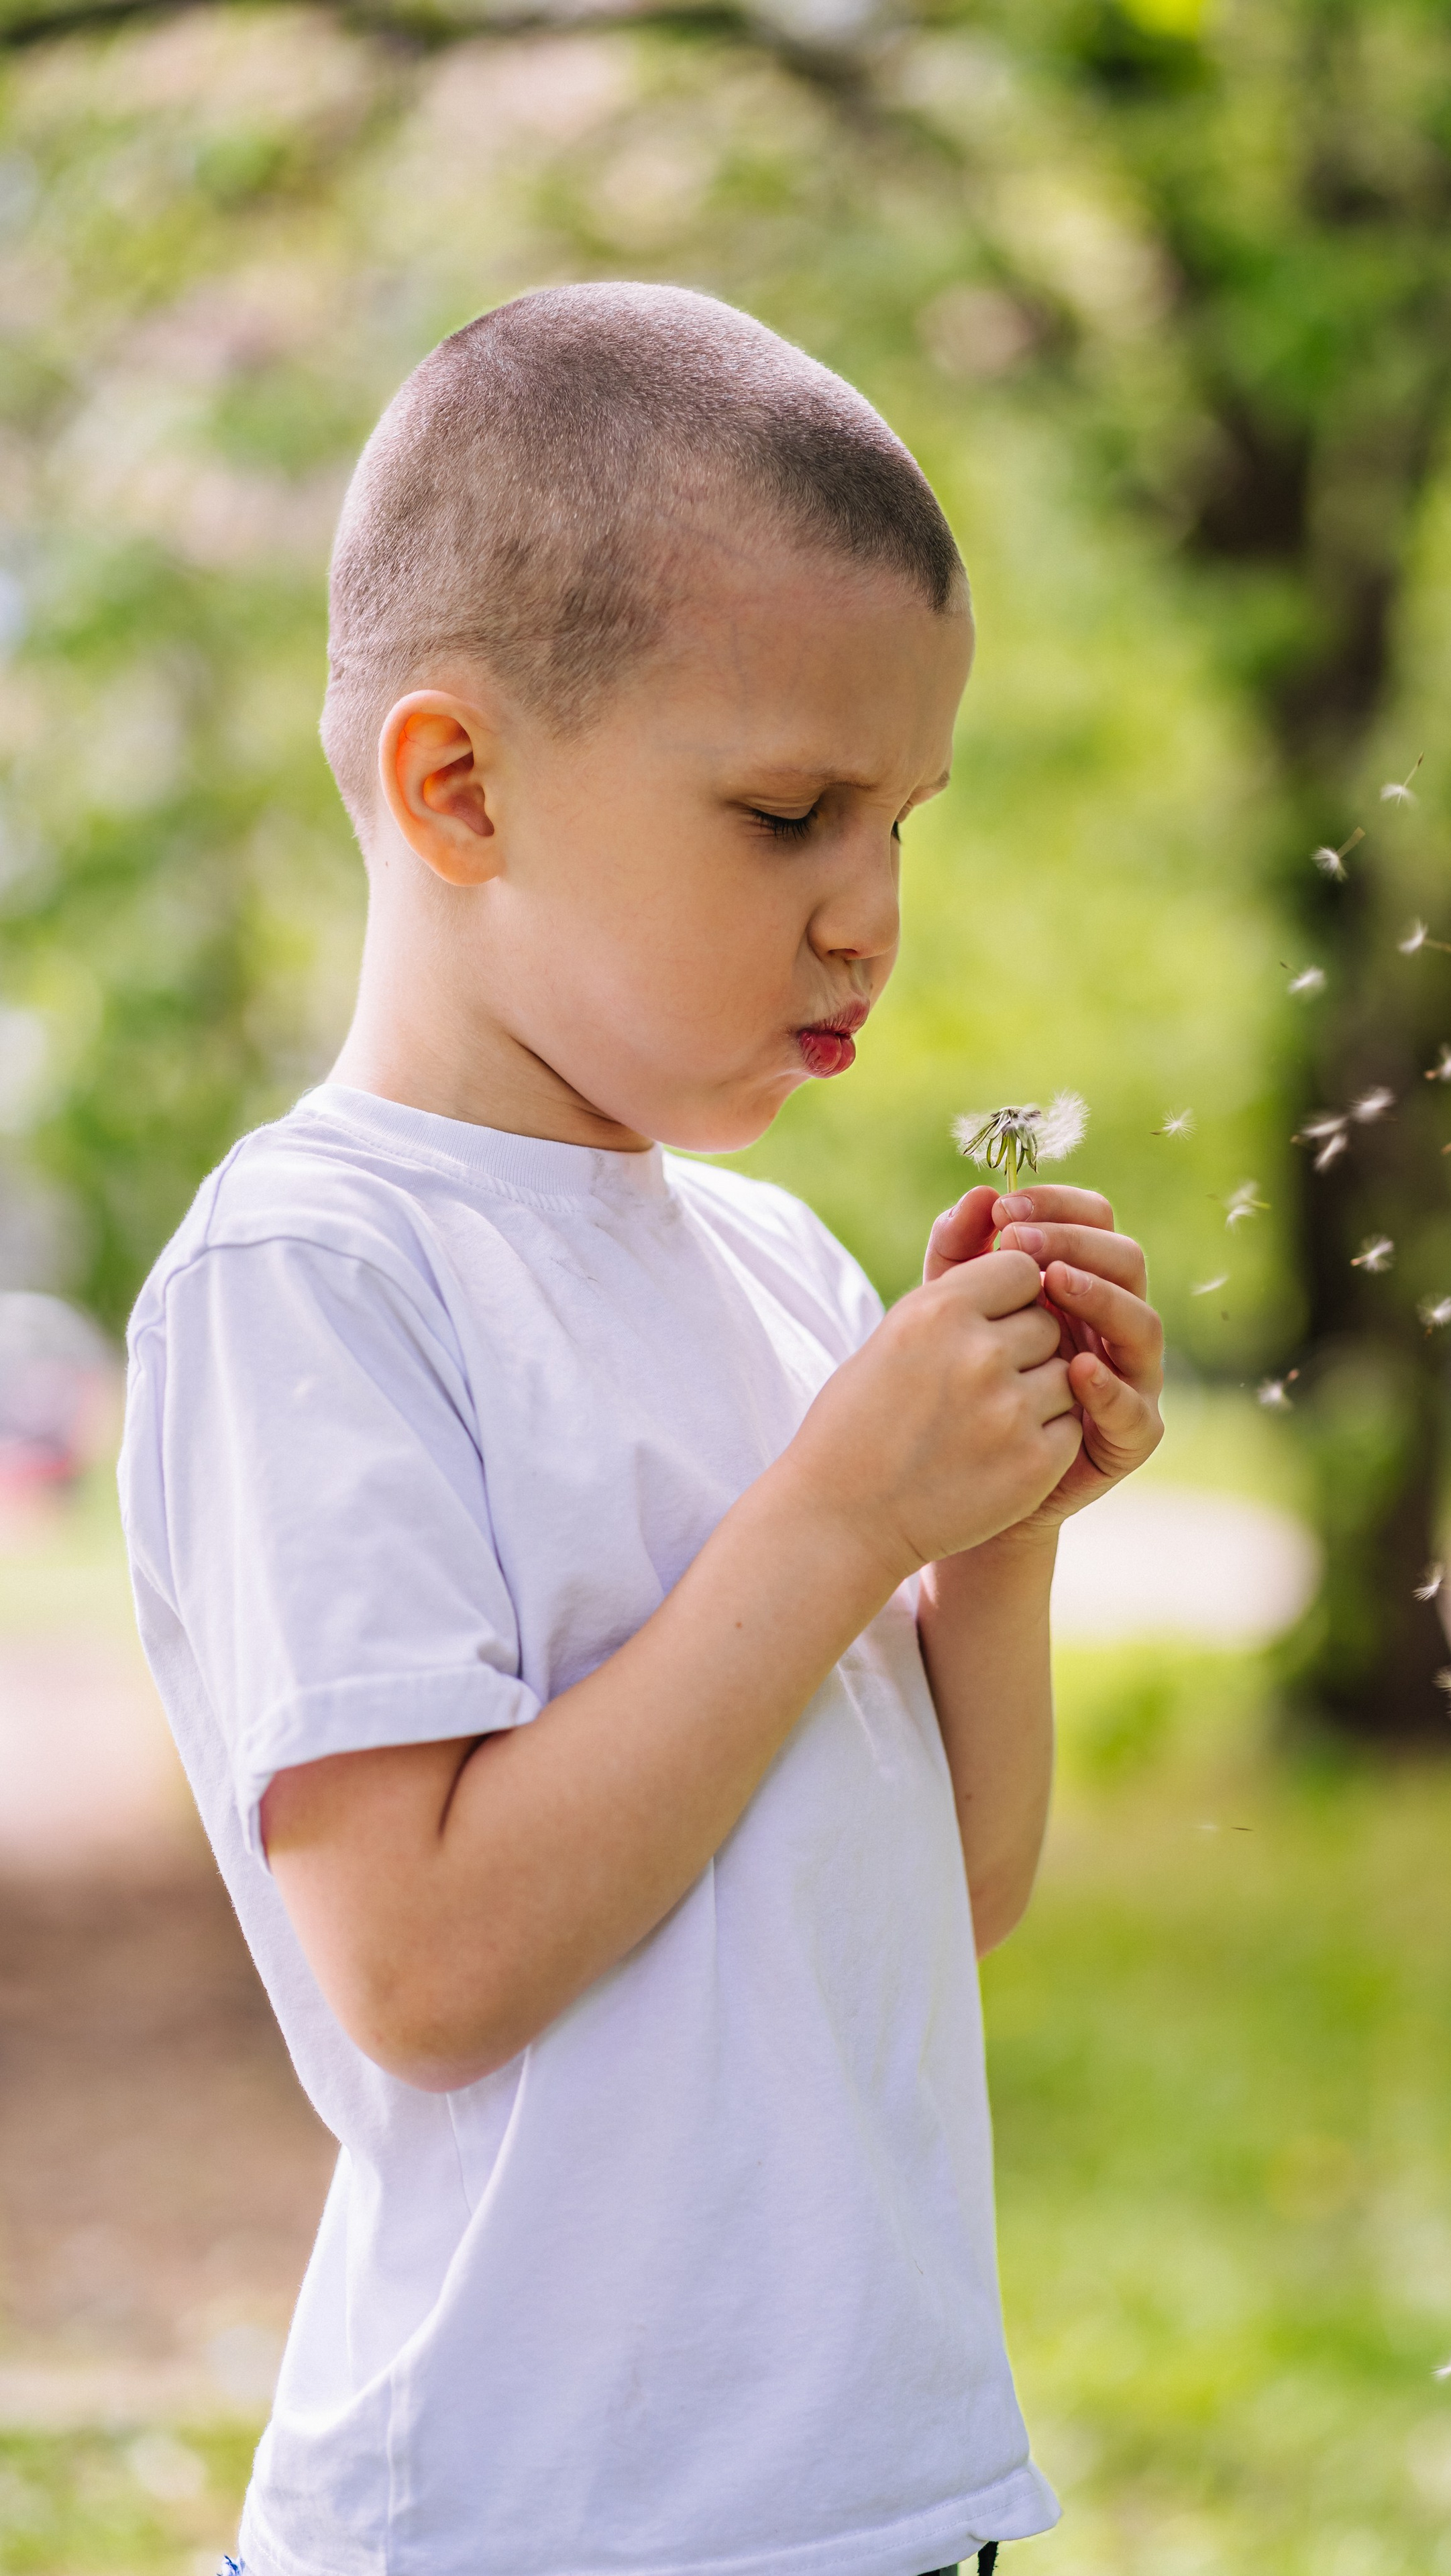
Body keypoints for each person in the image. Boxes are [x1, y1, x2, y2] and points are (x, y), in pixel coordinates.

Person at [119, 283, 1165, 2576]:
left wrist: (998, 1526)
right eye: (790, 813)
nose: (872, 916)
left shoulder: (779, 1270)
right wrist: (832, 1515)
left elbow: (952, 1887)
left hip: (884, 2505)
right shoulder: (321, 1271)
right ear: (459, 786)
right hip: (543, 2520)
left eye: (903, 822)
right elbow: (423, 1972)